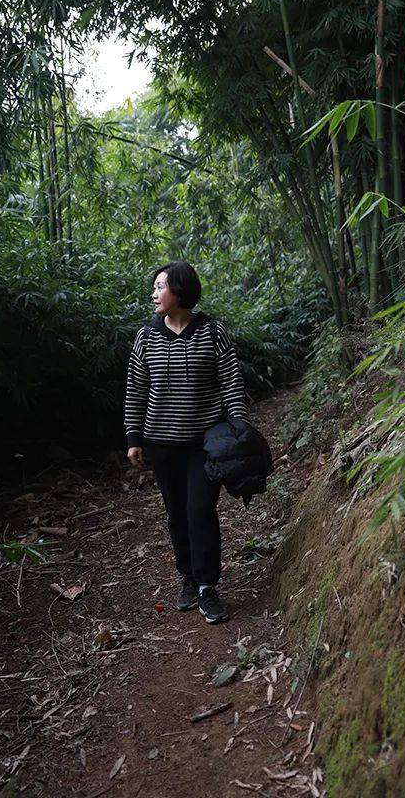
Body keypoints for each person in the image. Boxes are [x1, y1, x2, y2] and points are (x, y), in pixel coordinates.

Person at [124, 260, 250, 623]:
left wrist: (239, 426)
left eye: (160, 287)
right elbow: (136, 389)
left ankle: (207, 586)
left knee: (200, 511)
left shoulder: (212, 333)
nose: (154, 293)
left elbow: (231, 383)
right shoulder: (146, 337)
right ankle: (188, 578)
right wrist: (133, 437)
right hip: (161, 443)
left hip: (203, 443)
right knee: (176, 514)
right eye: (154, 287)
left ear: (180, 291)